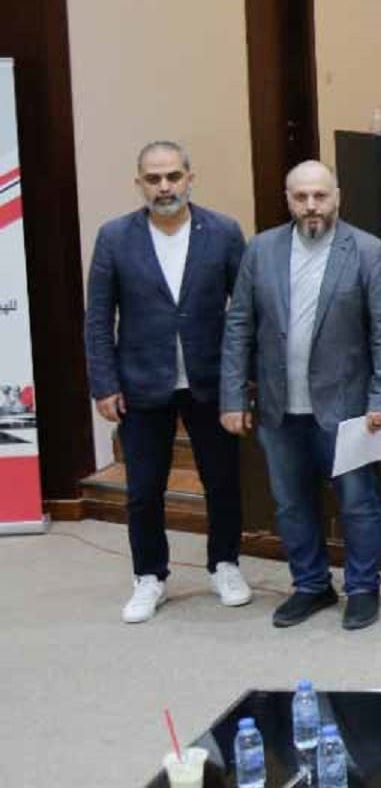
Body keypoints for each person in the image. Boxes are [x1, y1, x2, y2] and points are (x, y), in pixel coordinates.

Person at [219, 160, 381, 630]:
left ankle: (362, 588)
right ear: (288, 200)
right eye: (301, 197)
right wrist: (232, 397)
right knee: (290, 503)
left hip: (348, 408)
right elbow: (238, 325)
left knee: (358, 501)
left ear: (337, 196)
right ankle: (310, 585)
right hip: (279, 409)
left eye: (320, 196)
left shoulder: (368, 252)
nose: (311, 206)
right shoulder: (260, 251)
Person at [84, 141, 250, 623]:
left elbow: (242, 313)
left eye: (173, 176)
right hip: (139, 382)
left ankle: (224, 564)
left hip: (210, 379)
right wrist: (103, 383)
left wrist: (242, 384)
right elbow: (98, 318)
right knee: (143, 488)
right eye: (153, 179)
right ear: (139, 184)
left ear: (190, 178)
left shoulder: (222, 232)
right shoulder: (115, 237)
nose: (164, 187)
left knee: (221, 480)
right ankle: (149, 575)